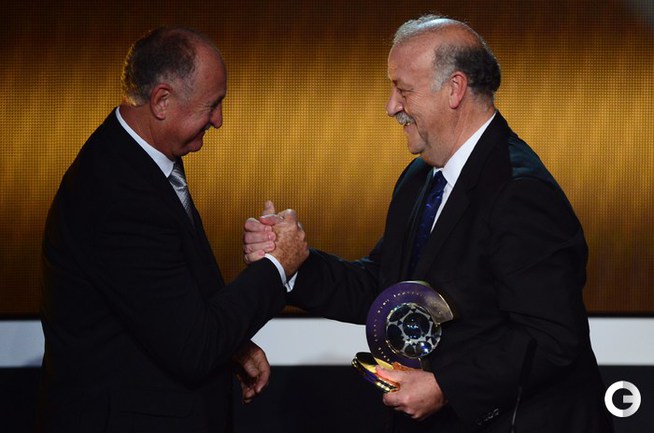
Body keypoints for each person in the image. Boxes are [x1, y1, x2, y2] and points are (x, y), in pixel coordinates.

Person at [243, 15, 613, 433]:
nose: (391, 107)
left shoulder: (519, 191)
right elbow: (386, 286)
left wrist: (446, 386)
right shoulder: (422, 176)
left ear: (454, 89)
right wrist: (291, 263)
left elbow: (551, 336)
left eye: (403, 90)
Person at [37, 27, 308, 433]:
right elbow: (193, 347)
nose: (218, 121)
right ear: (162, 100)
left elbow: (165, 302)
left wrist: (231, 344)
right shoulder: (118, 193)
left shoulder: (138, 160)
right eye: (211, 105)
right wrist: (278, 265)